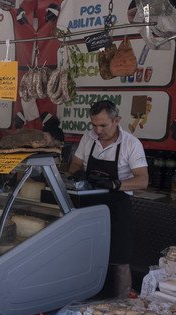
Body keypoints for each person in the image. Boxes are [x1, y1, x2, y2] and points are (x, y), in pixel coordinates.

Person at [67, 100, 148, 299]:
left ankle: (122, 303)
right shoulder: (88, 138)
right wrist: (78, 174)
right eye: (94, 125)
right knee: (86, 257)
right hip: (89, 206)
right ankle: (83, 300)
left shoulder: (131, 144)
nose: (98, 130)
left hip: (117, 209)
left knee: (119, 260)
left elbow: (142, 181)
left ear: (116, 120)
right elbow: (75, 164)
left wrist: (115, 184)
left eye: (103, 125)